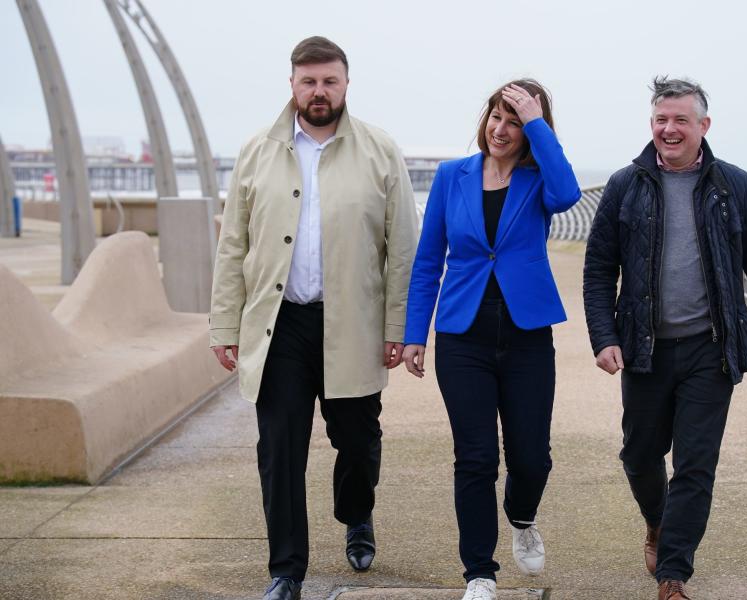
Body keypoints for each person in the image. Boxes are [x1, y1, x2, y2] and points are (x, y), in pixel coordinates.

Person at [208, 36, 418, 600]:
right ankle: (287, 571)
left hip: (353, 323)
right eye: (309, 81)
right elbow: (233, 246)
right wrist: (224, 326)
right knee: (279, 448)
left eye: (329, 81)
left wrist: (398, 328)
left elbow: (403, 249)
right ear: (293, 84)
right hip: (281, 326)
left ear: (346, 84)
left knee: (357, 441)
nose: (319, 91)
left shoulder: (379, 149)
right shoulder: (258, 150)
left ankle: (357, 515)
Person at [582, 76, 747, 600]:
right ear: (651, 124)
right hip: (644, 348)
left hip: (711, 346)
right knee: (639, 455)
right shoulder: (625, 185)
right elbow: (597, 268)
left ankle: (673, 574)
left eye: (681, 119)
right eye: (662, 119)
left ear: (704, 125)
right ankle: (658, 522)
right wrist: (603, 336)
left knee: (696, 462)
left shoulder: (735, 186)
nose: (670, 129)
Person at [401, 79, 580, 600]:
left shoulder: (539, 178)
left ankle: (522, 516)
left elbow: (568, 193)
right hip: (463, 337)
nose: (501, 129)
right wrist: (416, 333)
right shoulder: (452, 176)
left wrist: (537, 121)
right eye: (496, 117)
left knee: (531, 458)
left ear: (531, 131)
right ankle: (479, 571)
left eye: (515, 121)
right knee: (475, 458)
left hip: (527, 336)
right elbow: (429, 258)